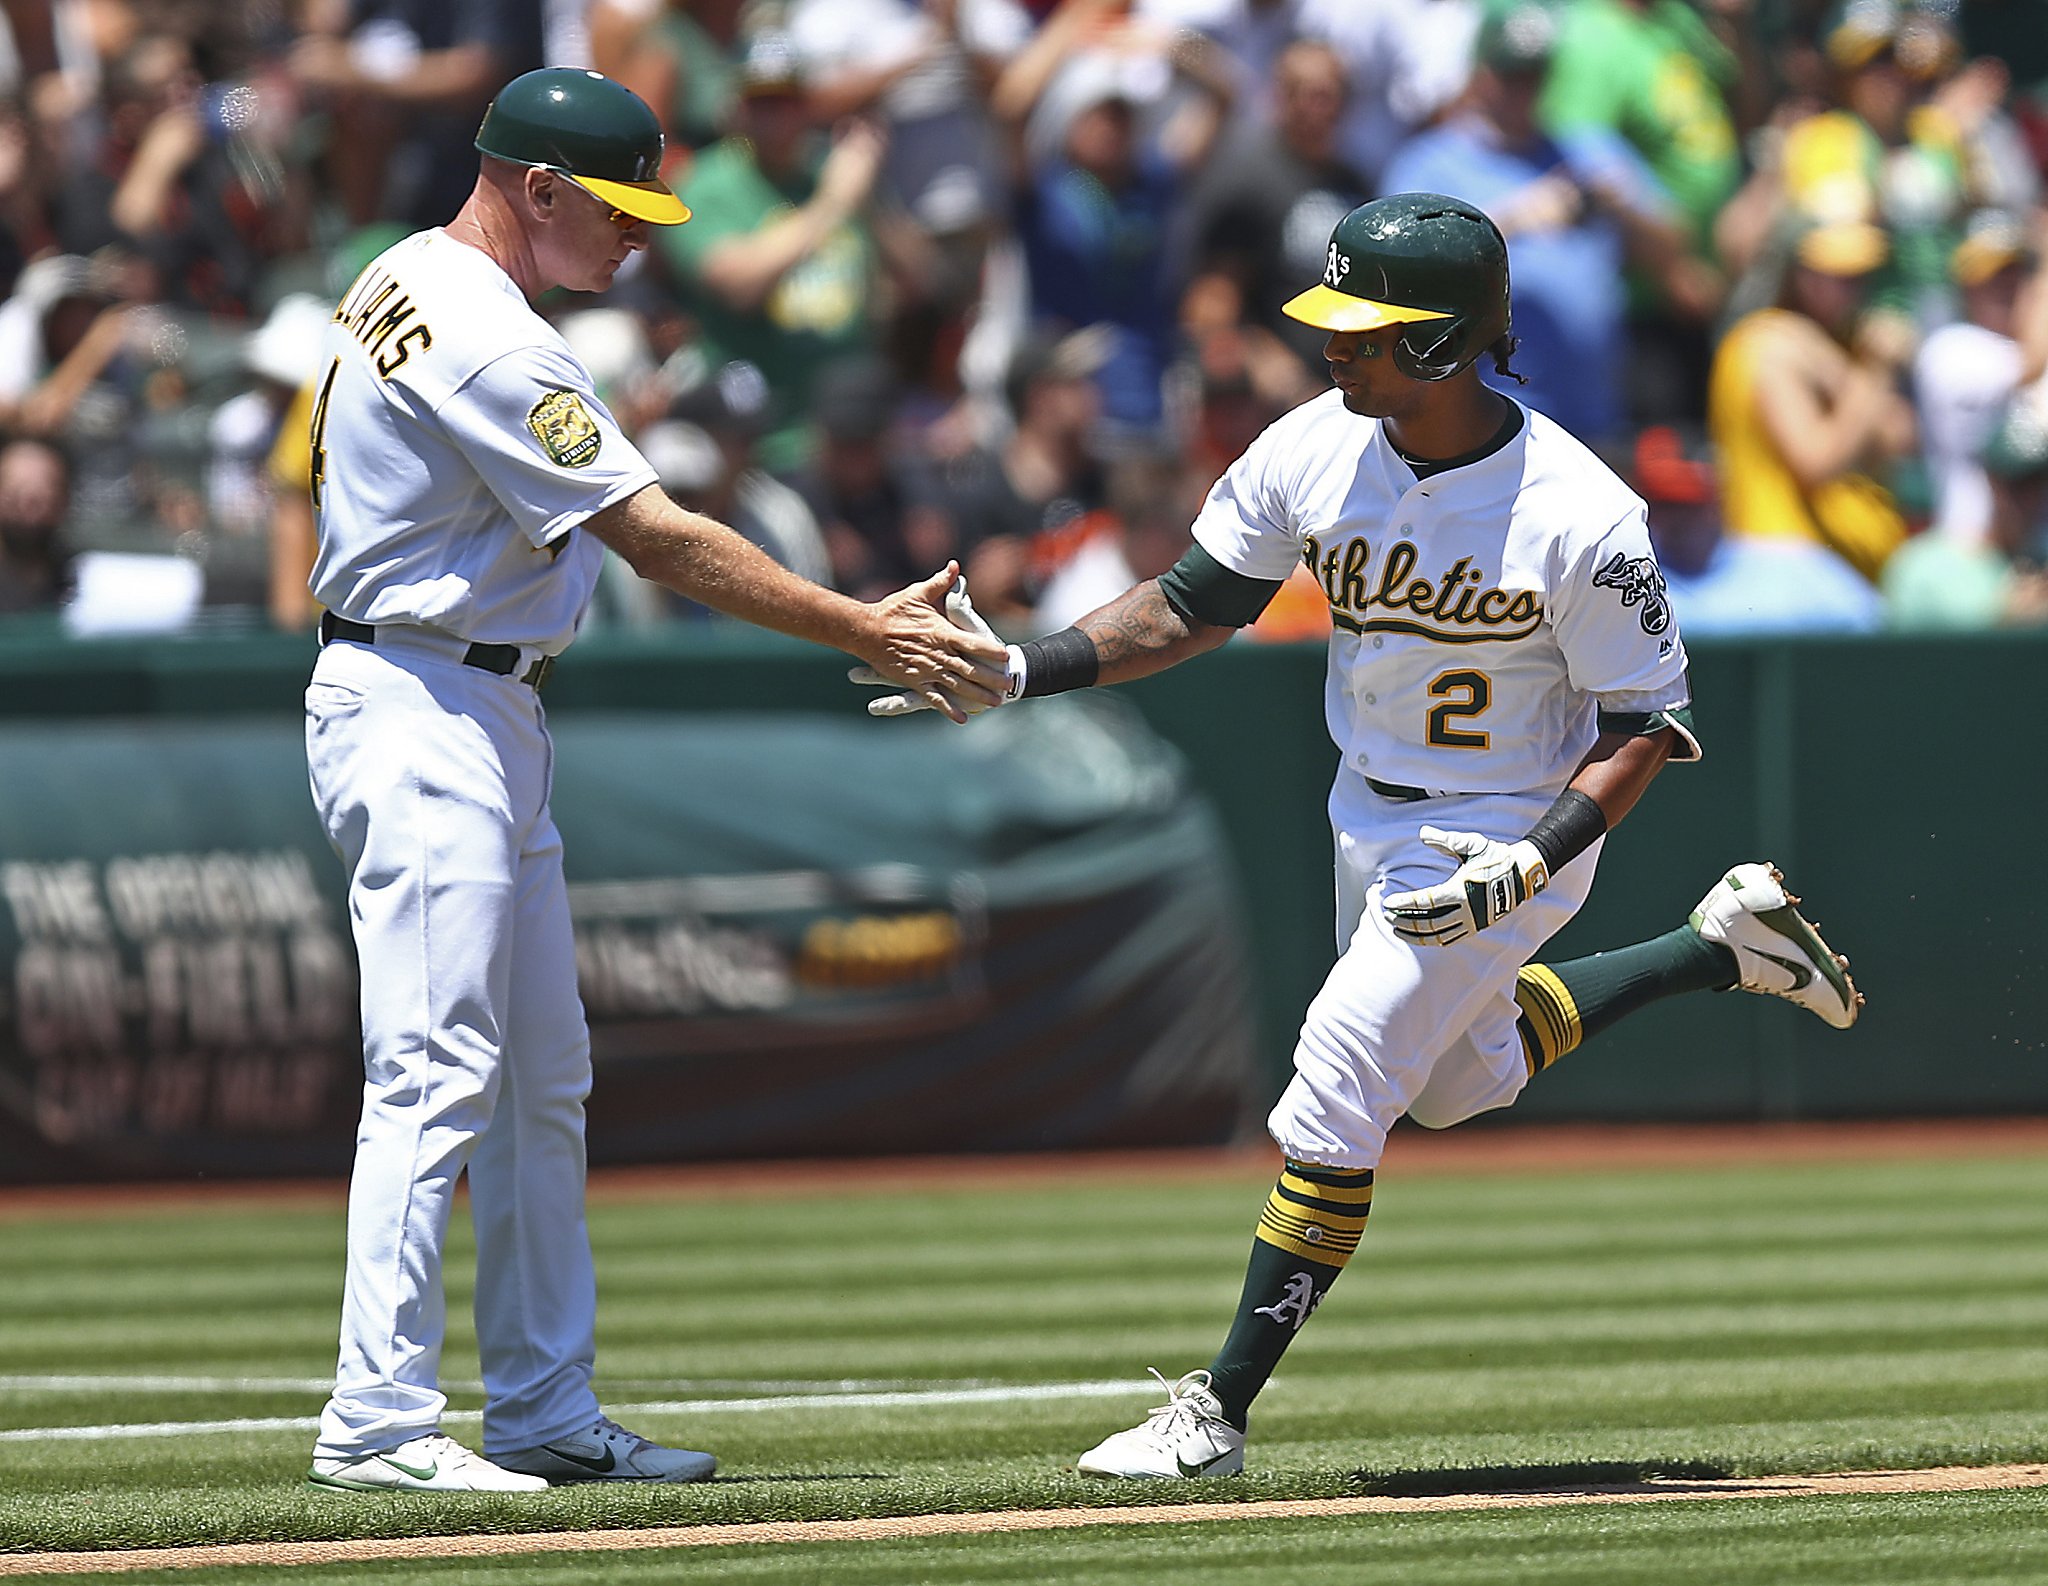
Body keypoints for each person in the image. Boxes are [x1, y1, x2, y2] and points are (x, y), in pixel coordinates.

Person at [865, 193, 1863, 1477]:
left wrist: (1537, 857)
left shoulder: (1580, 510)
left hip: (1512, 820)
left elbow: (1641, 729)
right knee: (1455, 1083)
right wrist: (1019, 667)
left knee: (1336, 1075)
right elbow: (1187, 606)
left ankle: (1213, 1411)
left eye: (1367, 330)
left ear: (1446, 345)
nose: (1333, 347)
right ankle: (1711, 945)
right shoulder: (1313, 447)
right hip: (1372, 812)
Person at [301, 66, 1005, 1496]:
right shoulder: (498, 340)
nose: (639, 238)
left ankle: (545, 1406)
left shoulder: (402, 269)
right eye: (616, 209)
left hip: (466, 691)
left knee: (541, 1078)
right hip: (426, 693)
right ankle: (375, 1419)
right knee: (435, 1068)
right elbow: (661, 540)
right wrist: (864, 623)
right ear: (539, 188)